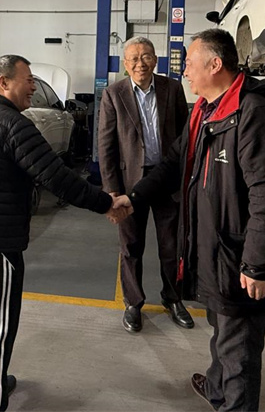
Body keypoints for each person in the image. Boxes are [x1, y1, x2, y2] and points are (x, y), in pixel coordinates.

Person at [120, 29, 265, 411]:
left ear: (215, 65)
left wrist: (257, 264)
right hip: (214, 250)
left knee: (239, 348)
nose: (184, 71)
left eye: (189, 63)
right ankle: (217, 387)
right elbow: (173, 163)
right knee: (222, 330)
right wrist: (133, 198)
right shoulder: (205, 110)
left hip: (240, 257)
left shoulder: (253, 115)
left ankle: (233, 402)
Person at [0, 54, 131, 412]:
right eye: (27, 79)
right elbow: (56, 177)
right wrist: (106, 203)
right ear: (3, 83)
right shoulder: (14, 125)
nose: (32, 86)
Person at [98, 36, 192, 333]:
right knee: (131, 245)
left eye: (146, 56)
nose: (141, 63)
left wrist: (185, 177)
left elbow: (185, 137)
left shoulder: (172, 88)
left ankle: (173, 298)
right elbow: (106, 145)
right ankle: (133, 303)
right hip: (130, 183)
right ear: (125, 64)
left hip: (166, 179)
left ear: (156, 60)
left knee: (171, 244)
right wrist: (112, 190)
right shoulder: (114, 94)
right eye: (134, 59)